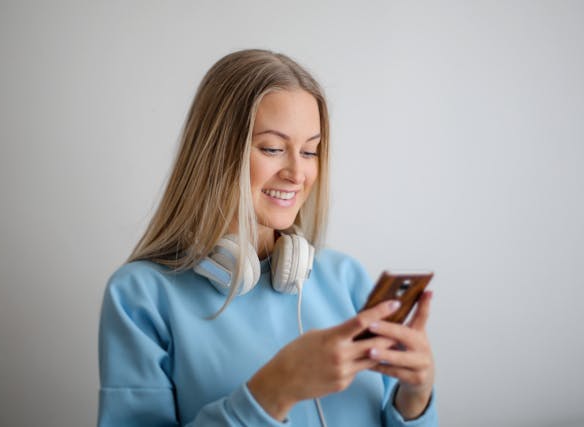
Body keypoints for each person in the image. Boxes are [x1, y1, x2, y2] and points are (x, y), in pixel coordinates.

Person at [98, 49, 438, 427]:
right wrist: (274, 391)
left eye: (310, 151)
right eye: (274, 149)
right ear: (216, 153)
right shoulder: (140, 297)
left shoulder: (345, 278)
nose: (297, 172)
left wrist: (415, 400)